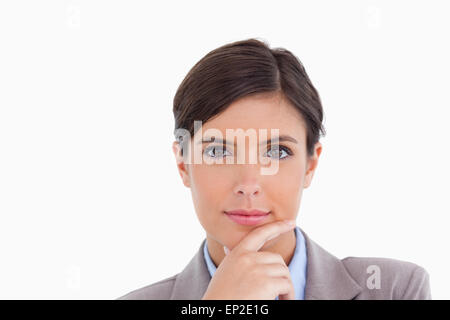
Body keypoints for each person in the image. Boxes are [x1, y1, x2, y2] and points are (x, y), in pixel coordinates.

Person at [118, 38, 431, 300]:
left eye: (278, 151)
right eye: (217, 151)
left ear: (310, 164)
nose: (249, 183)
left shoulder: (394, 289)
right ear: (183, 164)